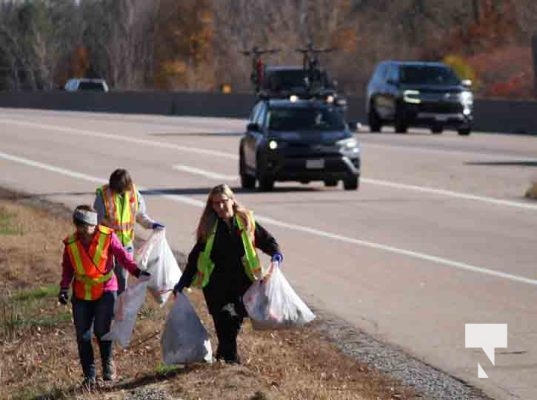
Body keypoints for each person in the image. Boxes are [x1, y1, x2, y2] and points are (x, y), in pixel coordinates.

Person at [173, 184, 283, 364]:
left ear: (232, 201)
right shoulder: (209, 229)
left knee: (233, 322)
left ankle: (224, 355)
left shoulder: (246, 222)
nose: (220, 207)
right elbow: (194, 258)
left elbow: (267, 240)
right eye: (216, 204)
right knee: (223, 317)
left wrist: (275, 253)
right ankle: (232, 361)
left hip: (242, 284)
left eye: (223, 202)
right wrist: (182, 283)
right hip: (216, 285)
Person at [58, 205, 149, 386]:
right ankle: (89, 376)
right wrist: (63, 288)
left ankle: (107, 363)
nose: (83, 232)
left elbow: (123, 257)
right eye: (79, 227)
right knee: (82, 336)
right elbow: (67, 268)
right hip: (81, 294)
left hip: (106, 290)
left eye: (86, 227)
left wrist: (137, 272)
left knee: (101, 330)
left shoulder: (108, 236)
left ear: (94, 224)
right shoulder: (70, 243)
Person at [94, 168, 164, 294]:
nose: (116, 192)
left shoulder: (134, 195)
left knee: (122, 278)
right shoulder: (103, 197)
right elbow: (95, 221)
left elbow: (140, 216)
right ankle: (105, 307)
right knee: (105, 279)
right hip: (106, 245)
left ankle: (119, 308)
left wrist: (151, 225)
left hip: (125, 245)